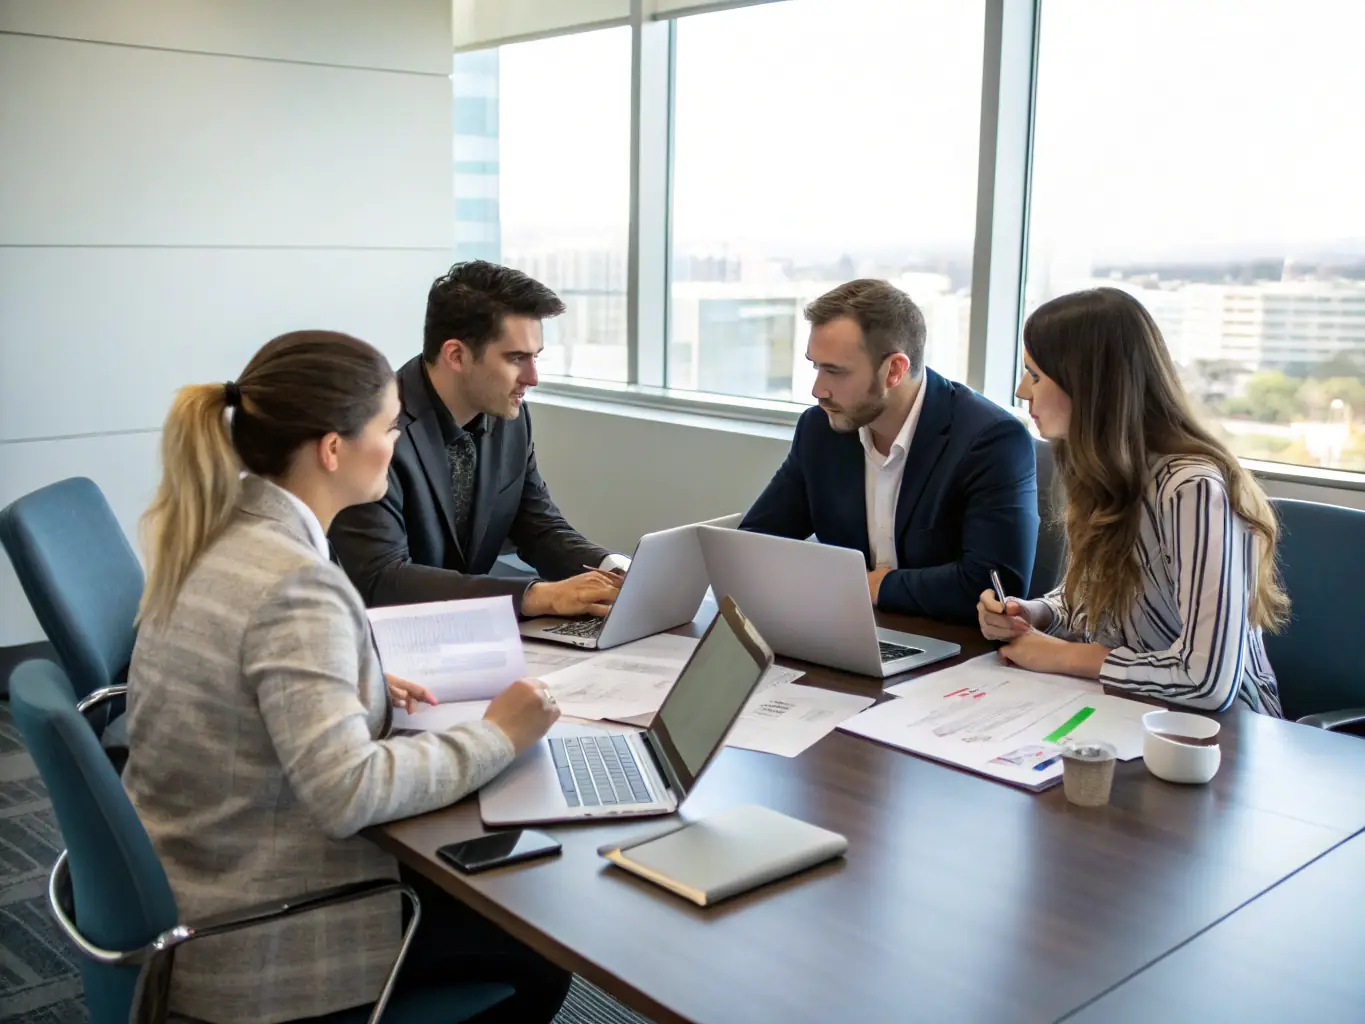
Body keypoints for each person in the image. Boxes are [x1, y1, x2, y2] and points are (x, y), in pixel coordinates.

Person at [122, 331, 571, 1023]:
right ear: (334, 449)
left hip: (195, 874)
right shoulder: (295, 583)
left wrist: (357, 674)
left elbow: (240, 672)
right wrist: (498, 735)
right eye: (390, 427)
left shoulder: (217, 527)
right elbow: (348, 793)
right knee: (538, 941)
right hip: (266, 931)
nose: (397, 442)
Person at [977, 287, 1289, 715]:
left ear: (1089, 386)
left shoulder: (1192, 489)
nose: (1021, 391)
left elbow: (1208, 681)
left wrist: (1061, 655)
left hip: (1223, 734)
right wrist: (1033, 615)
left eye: (1035, 375)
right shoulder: (1103, 472)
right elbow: (1090, 602)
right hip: (1128, 709)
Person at [330, 261, 623, 618]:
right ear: (456, 355)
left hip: (473, 633)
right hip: (383, 644)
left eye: (536, 357)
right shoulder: (372, 429)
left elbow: (537, 525)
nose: (533, 377)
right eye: (516, 358)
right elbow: (382, 579)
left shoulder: (509, 417)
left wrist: (612, 569)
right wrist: (536, 596)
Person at [740, 278, 1039, 622]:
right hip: (855, 631)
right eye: (815, 366)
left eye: (835, 371)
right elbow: (753, 545)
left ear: (894, 370)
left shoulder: (990, 439)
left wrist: (879, 586)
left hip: (953, 647)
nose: (818, 389)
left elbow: (995, 584)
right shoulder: (819, 430)